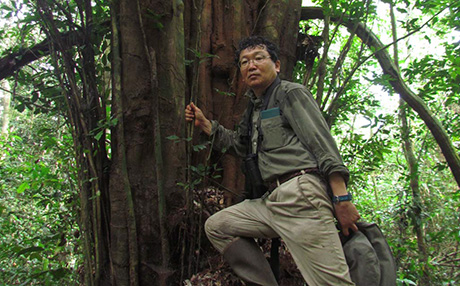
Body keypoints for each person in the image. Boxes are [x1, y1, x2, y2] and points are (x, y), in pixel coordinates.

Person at [185, 36, 360, 286]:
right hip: (272, 202)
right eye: (244, 62)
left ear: (276, 65)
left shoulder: (290, 93)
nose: (251, 65)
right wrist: (206, 125)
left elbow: (322, 144)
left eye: (258, 58)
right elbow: (240, 145)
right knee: (218, 226)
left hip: (300, 196)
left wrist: (342, 199)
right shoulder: (254, 109)